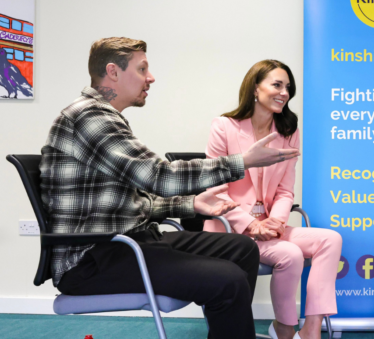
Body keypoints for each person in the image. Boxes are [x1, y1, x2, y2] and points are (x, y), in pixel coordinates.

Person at [40, 38, 299, 339]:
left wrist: (191, 206)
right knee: (227, 279)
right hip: (93, 259)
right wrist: (242, 161)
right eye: (142, 69)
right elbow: (159, 177)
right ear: (113, 71)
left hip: (129, 242)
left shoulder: (106, 117)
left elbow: (136, 204)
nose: (151, 77)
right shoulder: (90, 118)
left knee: (240, 248)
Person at [203, 59, 342, 339]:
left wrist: (276, 222)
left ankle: (311, 331)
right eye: (276, 85)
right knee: (289, 253)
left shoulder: (289, 132)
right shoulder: (224, 127)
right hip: (230, 231)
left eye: (287, 87)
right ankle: (285, 328)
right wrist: (252, 226)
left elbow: (285, 191)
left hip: (269, 226)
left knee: (331, 239)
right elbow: (216, 190)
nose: (284, 93)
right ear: (255, 88)